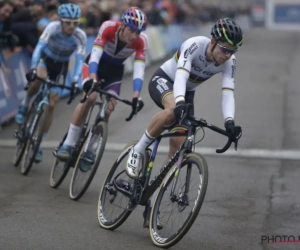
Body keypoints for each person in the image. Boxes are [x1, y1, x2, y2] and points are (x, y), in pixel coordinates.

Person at [125, 18, 244, 226]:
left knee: (177, 150)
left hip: (187, 93)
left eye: (232, 51)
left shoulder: (229, 62)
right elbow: (180, 77)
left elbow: (228, 93)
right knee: (171, 110)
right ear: (213, 41)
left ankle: (152, 202)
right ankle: (138, 149)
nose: (227, 55)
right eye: (225, 49)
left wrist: (229, 122)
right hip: (165, 80)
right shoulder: (194, 45)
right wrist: (179, 103)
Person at [55, 7, 148, 167]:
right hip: (95, 66)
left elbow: (139, 71)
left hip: (114, 73)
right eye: (132, 30)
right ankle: (68, 143)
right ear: (123, 25)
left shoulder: (141, 42)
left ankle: (90, 150)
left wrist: (136, 96)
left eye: (138, 32)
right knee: (90, 97)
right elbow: (95, 55)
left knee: (109, 107)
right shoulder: (108, 27)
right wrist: (92, 79)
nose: (134, 36)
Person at [15, 3, 87, 163]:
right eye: (68, 22)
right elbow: (39, 48)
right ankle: (25, 105)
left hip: (60, 67)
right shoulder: (52, 27)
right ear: (61, 21)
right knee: (38, 79)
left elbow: (80, 61)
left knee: (53, 103)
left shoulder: (80, 36)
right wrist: (33, 67)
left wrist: (76, 81)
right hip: (44, 60)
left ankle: (39, 143)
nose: (72, 26)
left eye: (75, 23)